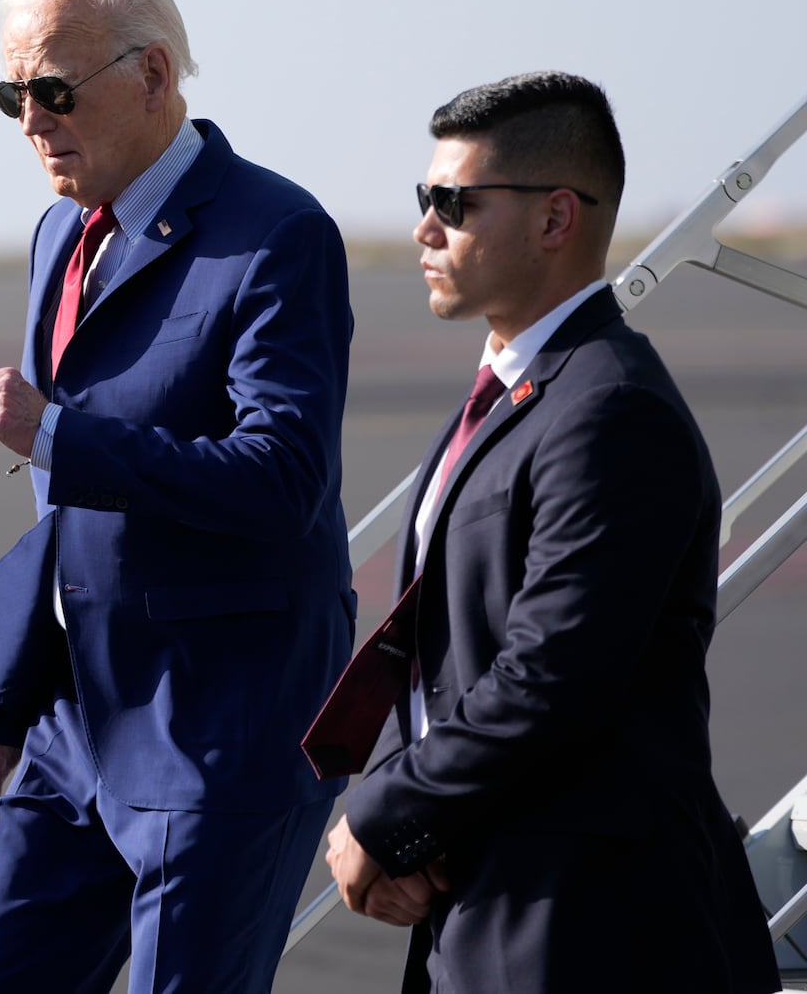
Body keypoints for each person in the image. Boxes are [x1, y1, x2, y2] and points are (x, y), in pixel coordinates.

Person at [0, 0, 355, 993]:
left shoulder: (274, 234)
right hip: (73, 722)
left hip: (217, 727)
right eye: (9, 94)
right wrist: (1, 705)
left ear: (154, 74)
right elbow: (74, 519)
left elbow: (281, 474)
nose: (31, 120)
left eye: (54, 91)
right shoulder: (59, 233)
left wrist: (58, 433)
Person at [324, 72, 781, 993]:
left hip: (592, 924)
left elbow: (554, 673)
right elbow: (444, 652)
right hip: (489, 892)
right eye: (426, 199)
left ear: (555, 219)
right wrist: (403, 818)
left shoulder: (611, 408)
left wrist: (383, 812)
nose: (424, 228)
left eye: (453, 203)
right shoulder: (517, 396)